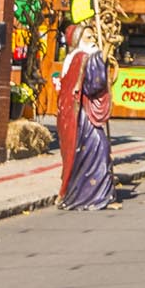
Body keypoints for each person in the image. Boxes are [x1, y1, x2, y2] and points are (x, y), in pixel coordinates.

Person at [55, 23, 114, 211]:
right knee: (99, 148)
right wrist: (105, 50)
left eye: (93, 37)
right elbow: (92, 85)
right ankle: (88, 196)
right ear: (78, 41)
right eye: (89, 38)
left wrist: (105, 50)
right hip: (79, 118)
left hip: (80, 114)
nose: (93, 41)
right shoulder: (80, 58)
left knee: (97, 150)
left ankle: (98, 194)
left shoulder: (82, 58)